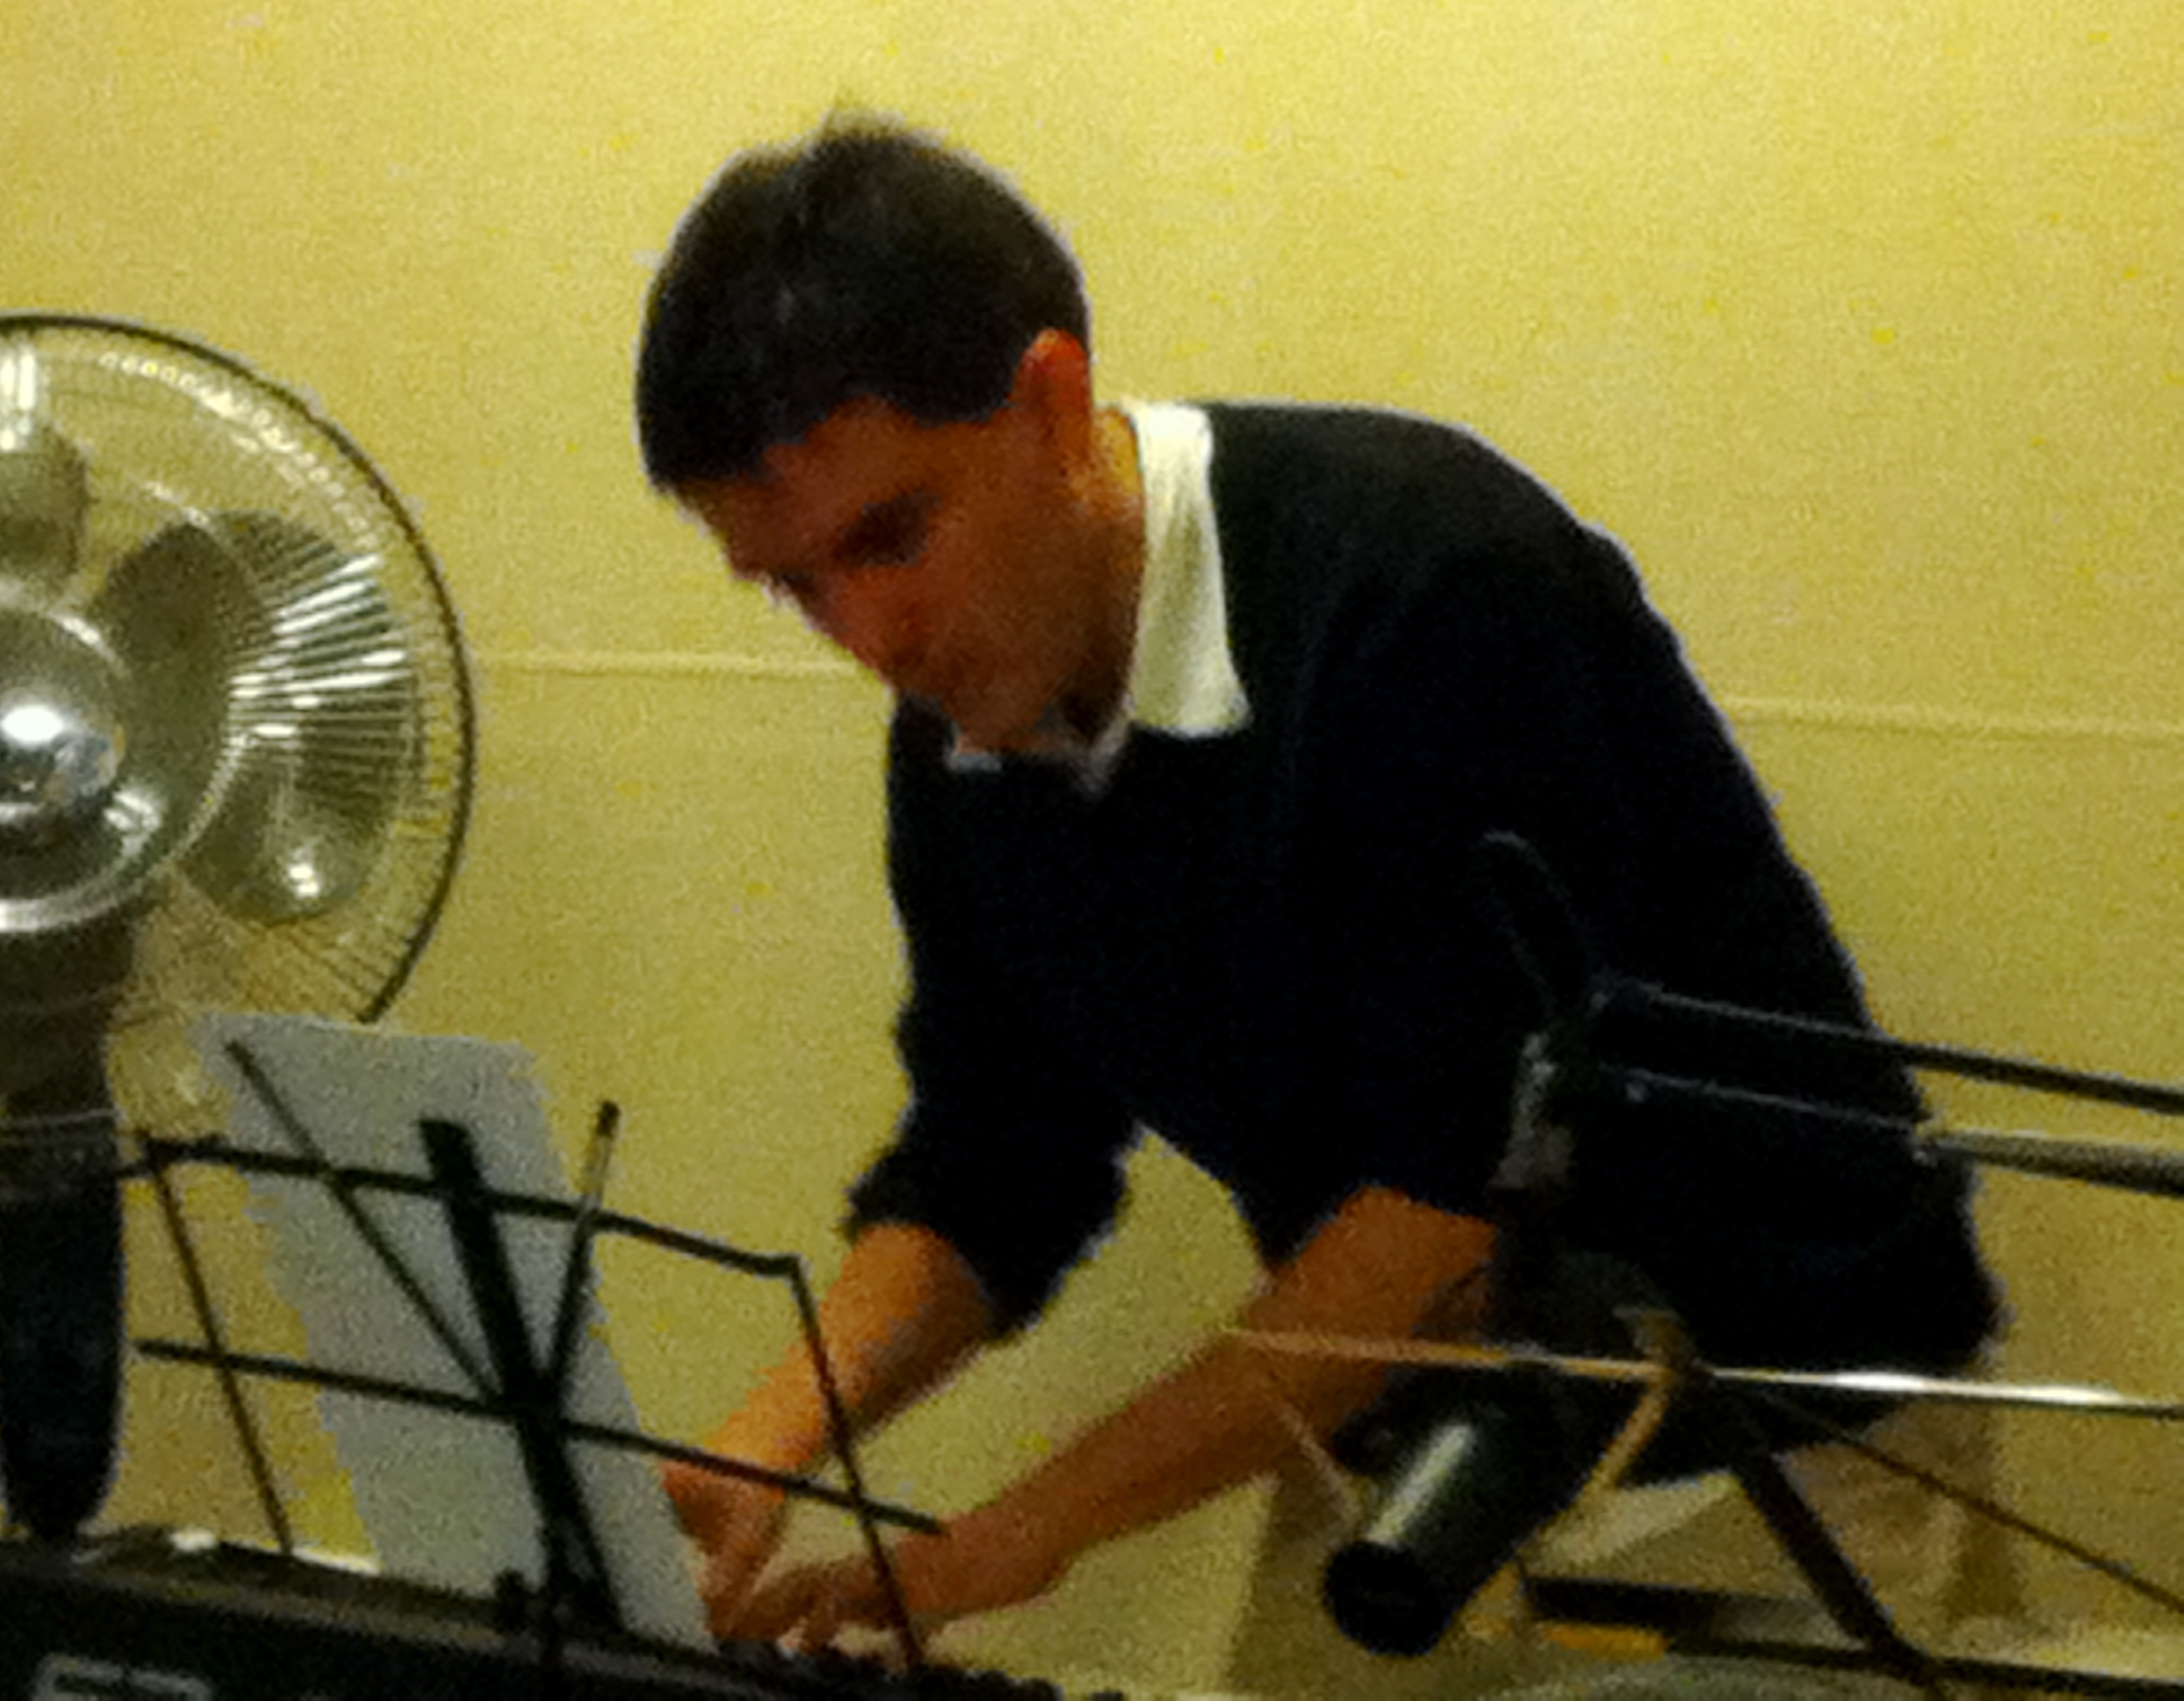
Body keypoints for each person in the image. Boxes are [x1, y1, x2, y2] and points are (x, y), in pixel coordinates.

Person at [633, 114, 1999, 1654]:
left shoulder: (1423, 584)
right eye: (794, 585)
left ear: (1053, 404)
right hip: (1423, 1438)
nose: (868, 634)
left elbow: (1446, 1202)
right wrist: (758, 1449)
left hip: (1775, 1433)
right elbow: (998, 1157)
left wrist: (1007, 1539)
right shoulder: (965, 726)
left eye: (893, 535)